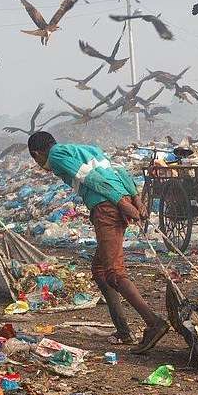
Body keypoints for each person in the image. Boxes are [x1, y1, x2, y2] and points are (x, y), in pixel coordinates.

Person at [27, 131, 169, 353]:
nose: (41, 166)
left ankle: (153, 322)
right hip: (118, 200)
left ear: (36, 154)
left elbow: (91, 179)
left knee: (114, 272)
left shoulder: (55, 157)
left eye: (36, 161)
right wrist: (136, 198)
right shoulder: (87, 149)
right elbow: (119, 172)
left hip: (107, 207)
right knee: (100, 271)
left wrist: (121, 203)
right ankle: (123, 330)